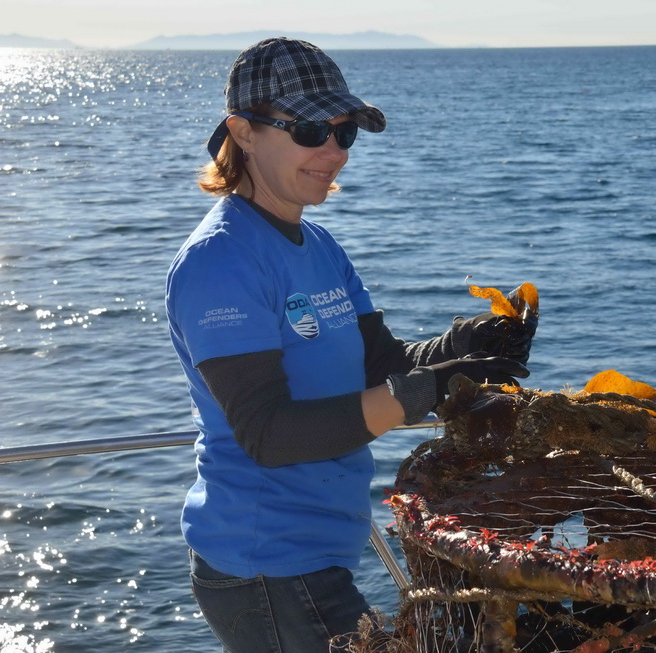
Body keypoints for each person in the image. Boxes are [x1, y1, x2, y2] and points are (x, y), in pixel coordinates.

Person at [165, 37, 534, 653]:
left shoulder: (320, 248)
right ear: (243, 131)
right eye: (311, 130)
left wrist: (469, 347)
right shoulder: (220, 262)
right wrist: (429, 391)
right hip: (266, 566)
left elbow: (383, 364)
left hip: (321, 550)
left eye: (345, 133)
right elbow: (270, 433)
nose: (333, 151)